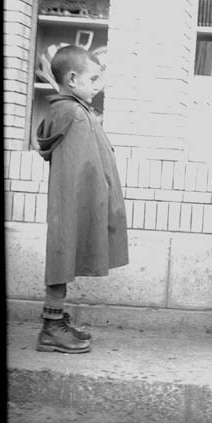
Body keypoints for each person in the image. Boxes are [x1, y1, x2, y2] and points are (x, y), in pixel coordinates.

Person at [34, 45, 129, 353]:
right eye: (94, 78)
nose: (98, 86)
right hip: (70, 203)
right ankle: (51, 327)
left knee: (67, 253)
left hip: (78, 201)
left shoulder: (77, 110)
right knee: (62, 254)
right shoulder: (70, 111)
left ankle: (57, 320)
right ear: (72, 79)